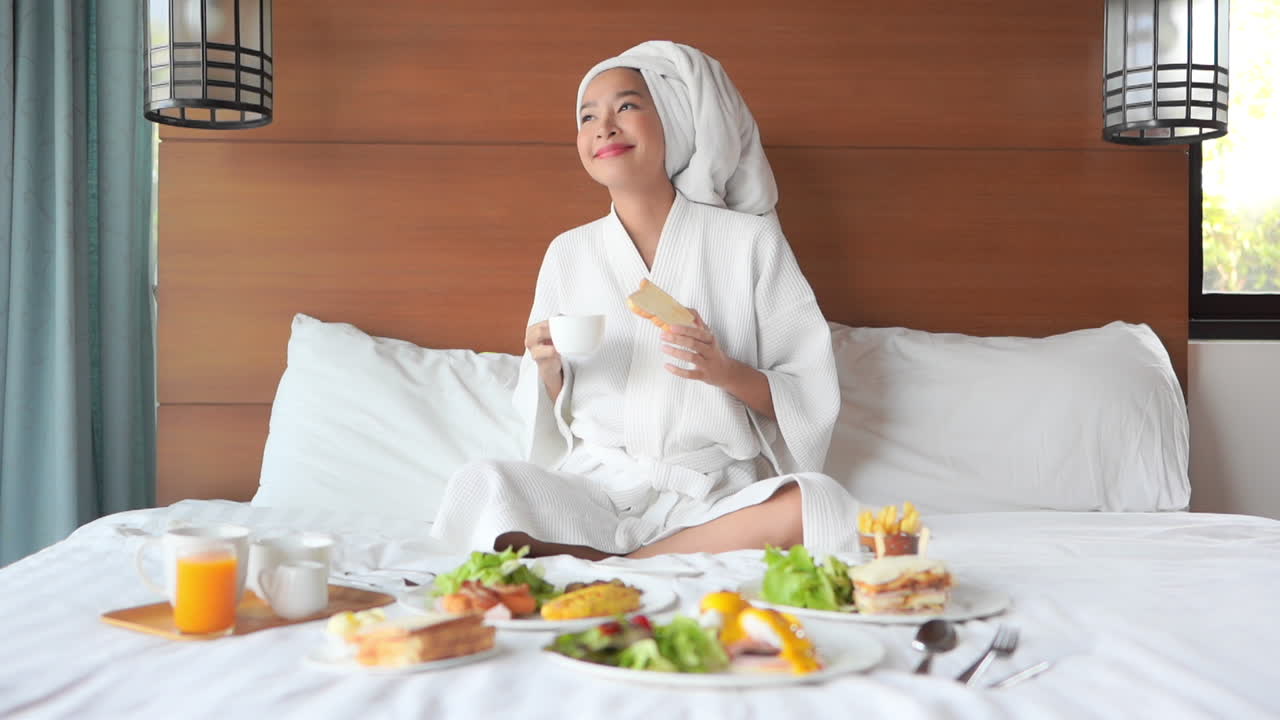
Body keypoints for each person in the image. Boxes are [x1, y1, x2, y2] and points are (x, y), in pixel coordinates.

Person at [430, 41, 861, 559]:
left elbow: (808, 394)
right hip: (597, 488)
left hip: (711, 494)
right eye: (588, 116)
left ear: (673, 120)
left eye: (627, 106)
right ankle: (644, 558)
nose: (604, 127)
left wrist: (723, 370)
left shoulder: (749, 241)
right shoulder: (569, 252)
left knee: (816, 503)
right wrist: (547, 369)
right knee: (480, 484)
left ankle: (627, 564)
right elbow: (548, 418)